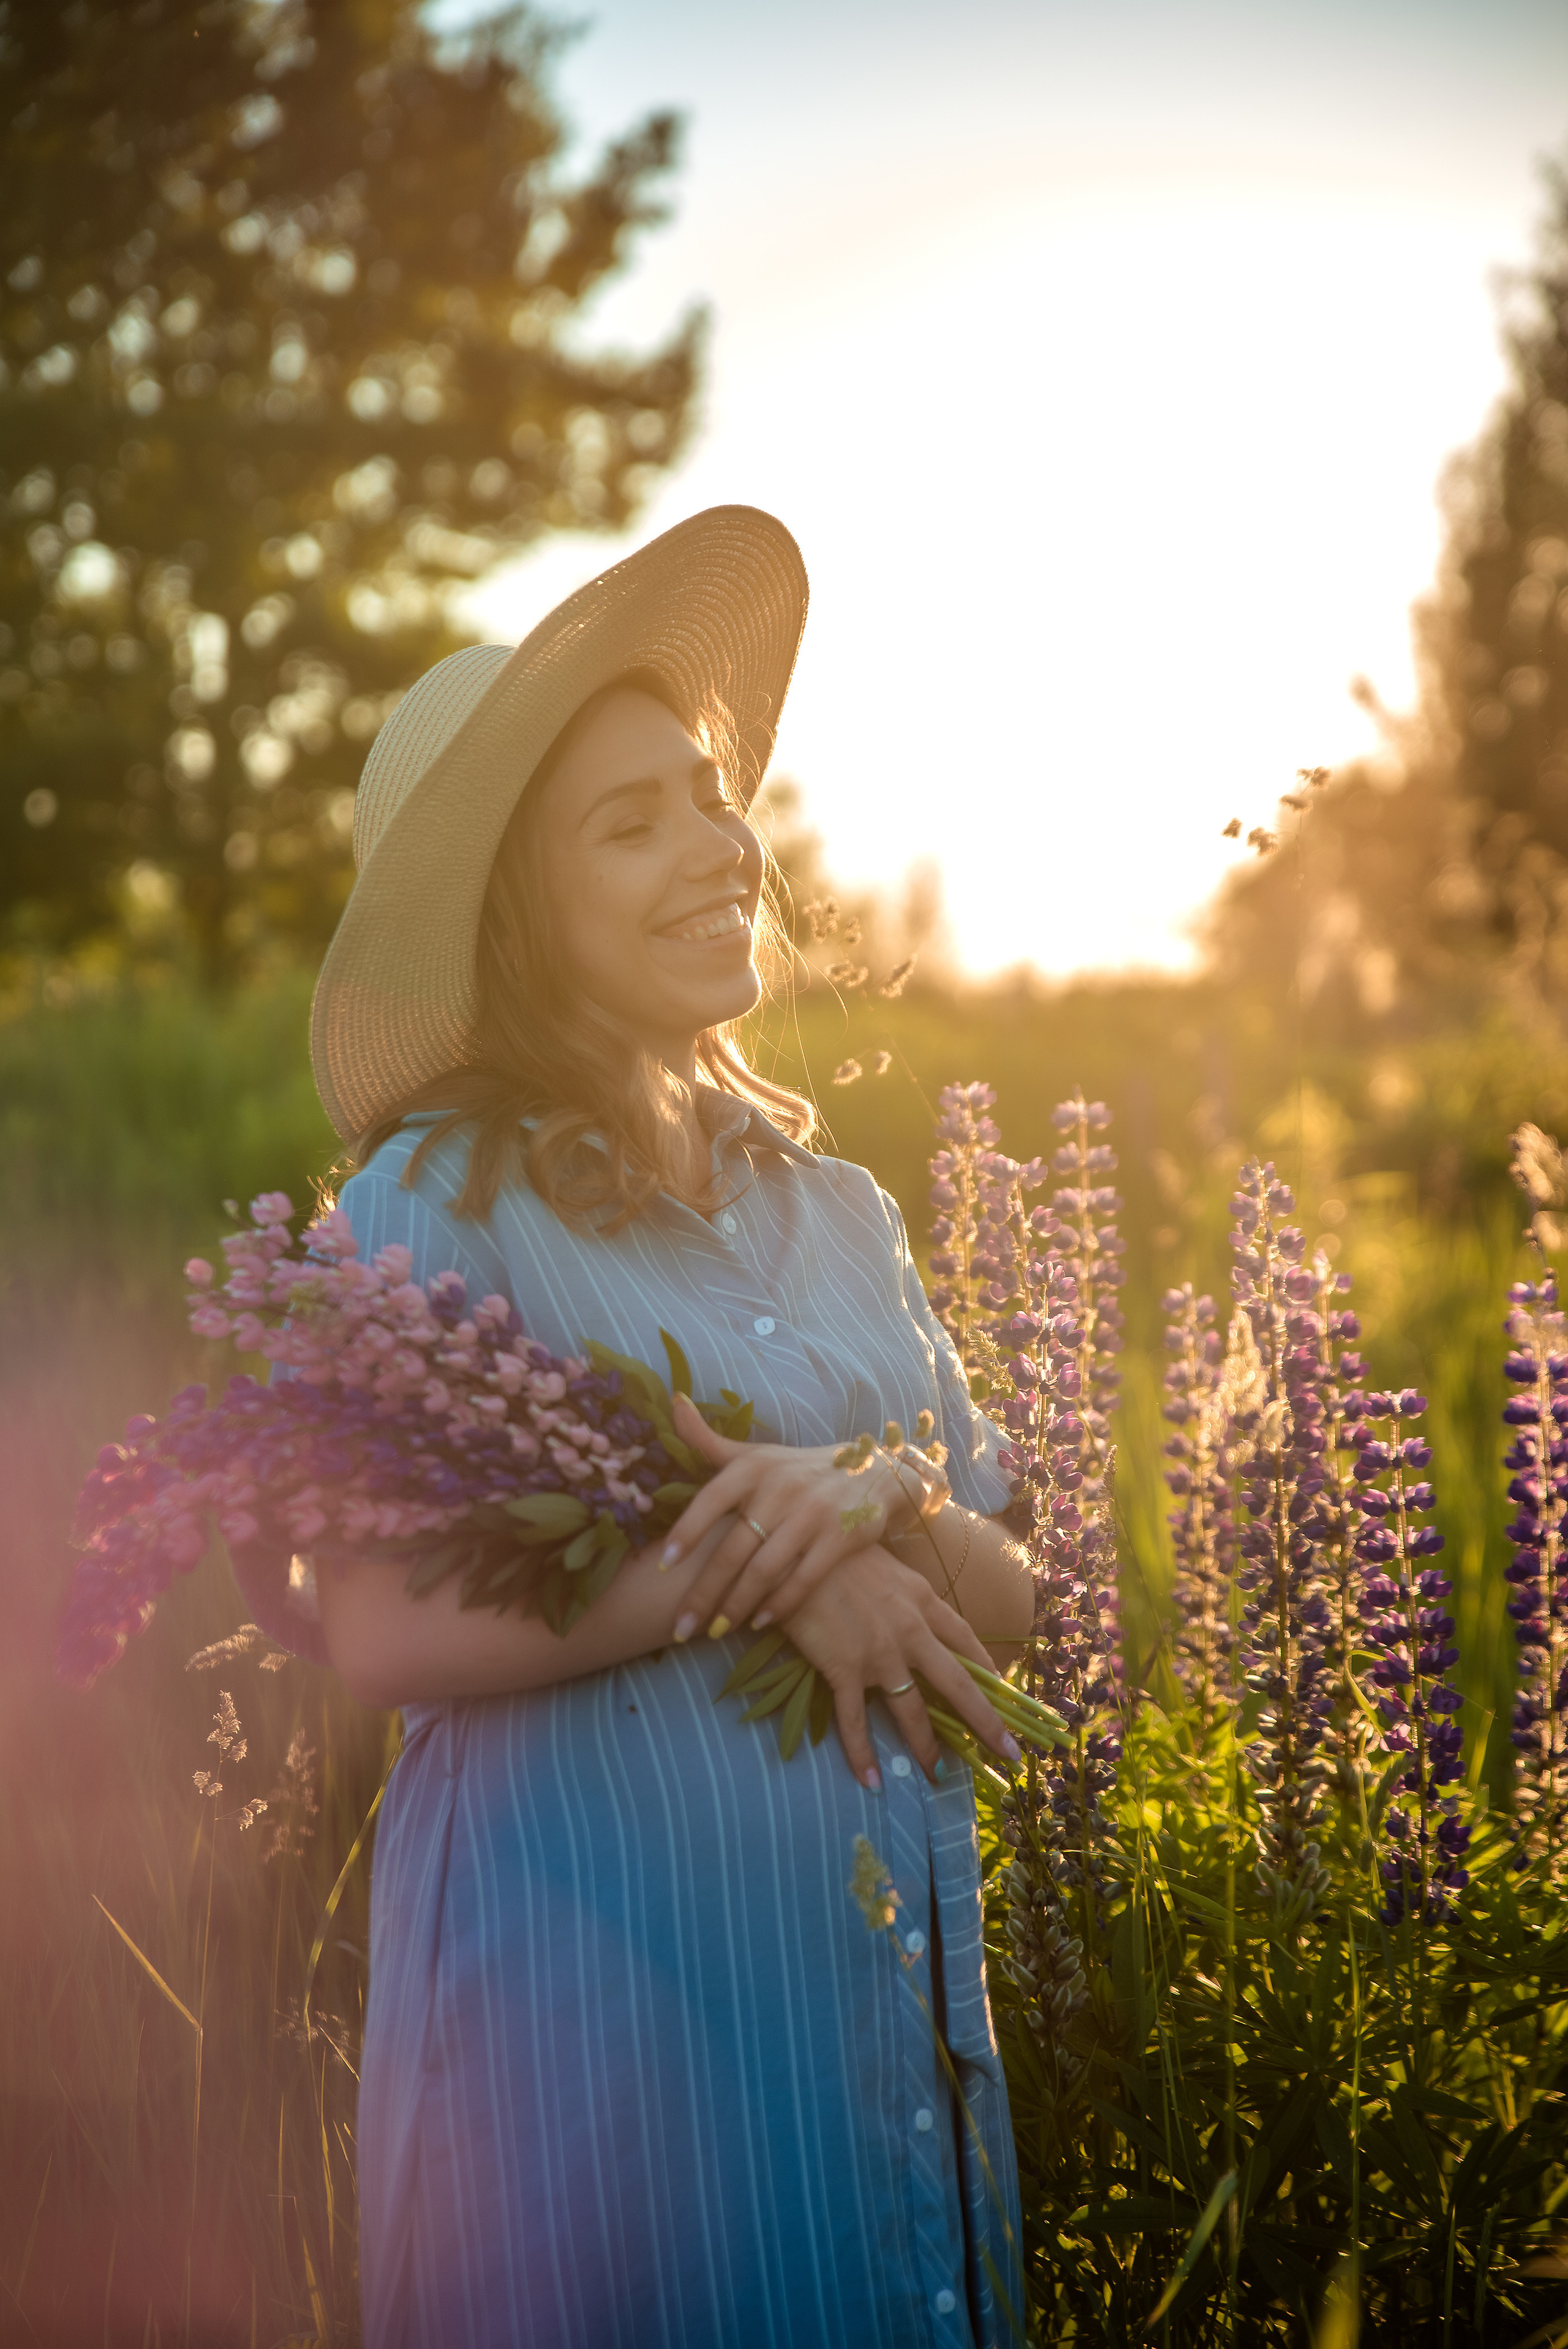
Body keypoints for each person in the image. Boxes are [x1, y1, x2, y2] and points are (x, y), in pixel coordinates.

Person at [284, 507, 1035, 2348]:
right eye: (630, 824)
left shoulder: (836, 1210)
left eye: (707, 794)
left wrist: (869, 1505)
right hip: (595, 2051)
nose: (717, 845)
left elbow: (1010, 1602)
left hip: (869, 2041)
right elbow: (376, 1623)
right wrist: (744, 1570)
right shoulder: (428, 1206)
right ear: (516, 922)